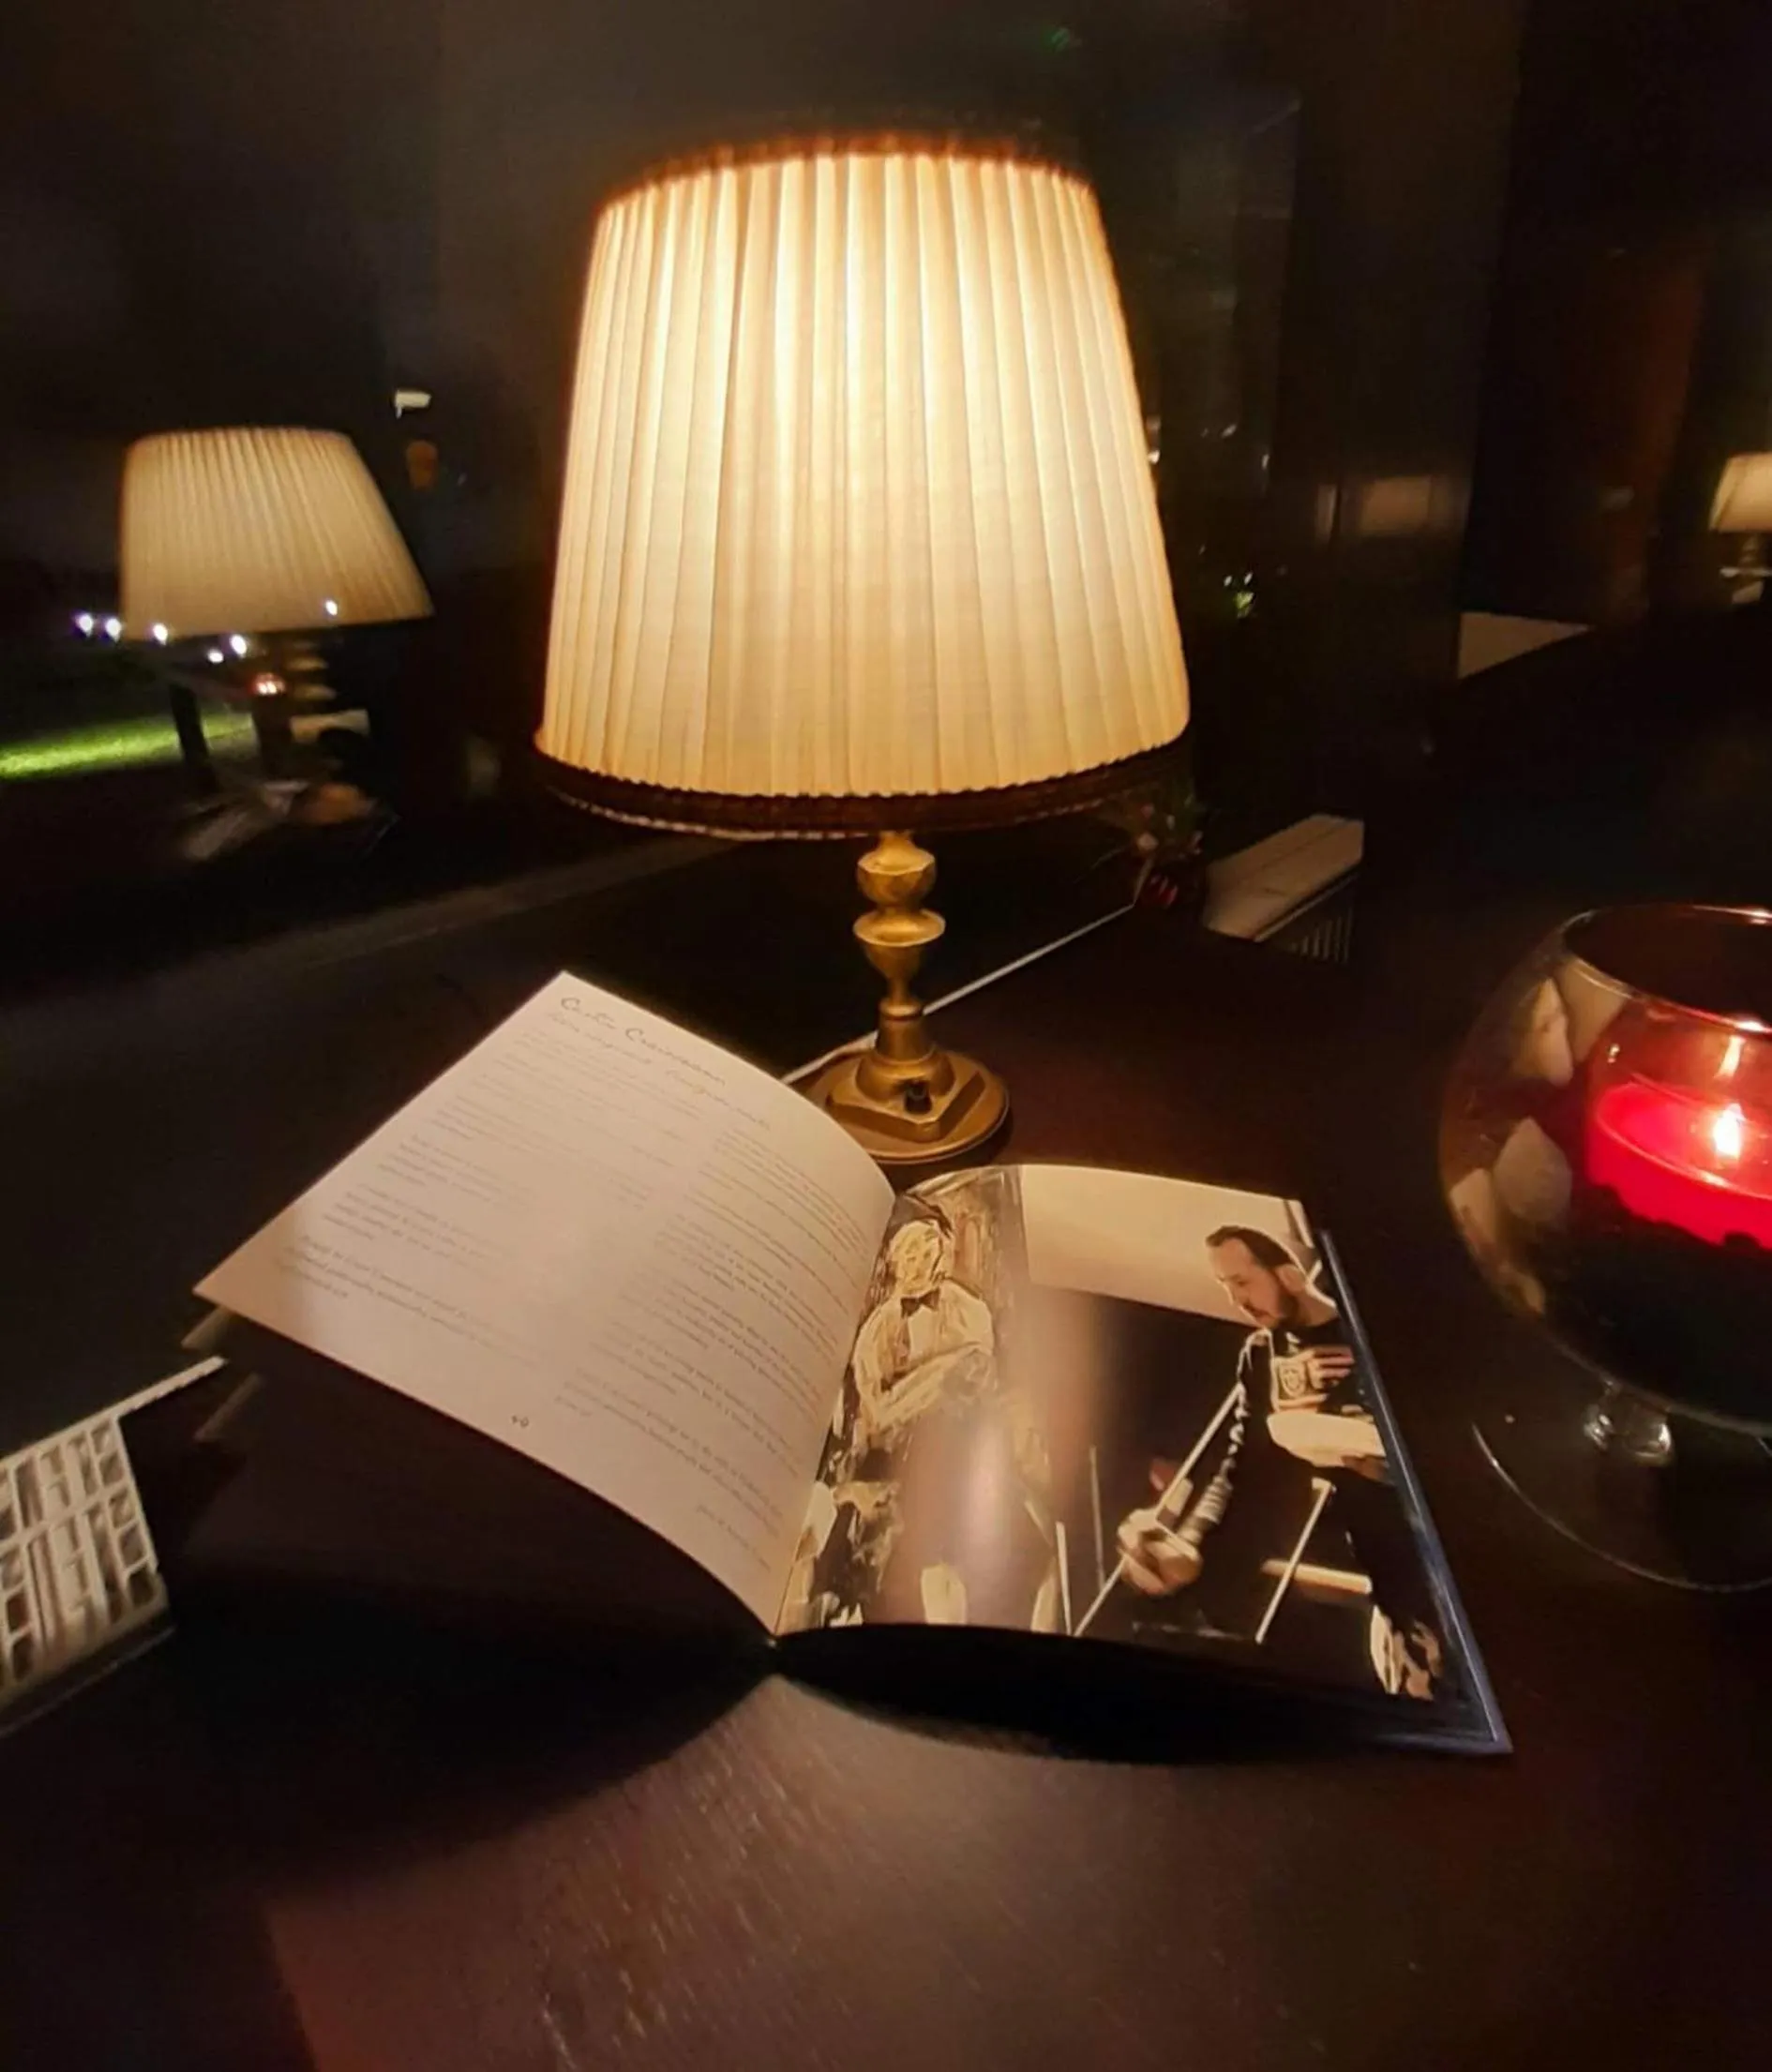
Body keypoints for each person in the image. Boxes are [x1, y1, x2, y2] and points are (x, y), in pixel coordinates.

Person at [1116, 1226, 1444, 1697]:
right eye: (1225, 1287)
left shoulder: (1377, 1330)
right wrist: (1189, 1544)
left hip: (1451, 1554)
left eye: (1242, 1282)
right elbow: (1243, 1471)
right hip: (1397, 1588)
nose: (1237, 1300)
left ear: (1289, 1275)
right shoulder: (1261, 1358)